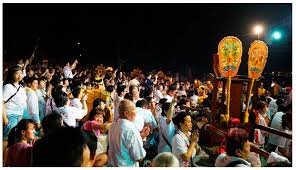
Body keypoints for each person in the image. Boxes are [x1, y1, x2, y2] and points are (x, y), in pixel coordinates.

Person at [107, 99, 147, 167]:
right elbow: (139, 157)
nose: (136, 113)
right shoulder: (131, 130)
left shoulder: (112, 126)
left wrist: (139, 137)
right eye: (134, 110)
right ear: (126, 113)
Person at [3, 65, 28, 148]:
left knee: (14, 141)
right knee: (6, 140)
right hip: (10, 117)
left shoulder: (21, 87)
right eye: (17, 74)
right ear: (11, 75)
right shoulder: (7, 87)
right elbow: (1, 103)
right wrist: (5, 118)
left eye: (21, 73)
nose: (19, 76)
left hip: (19, 116)